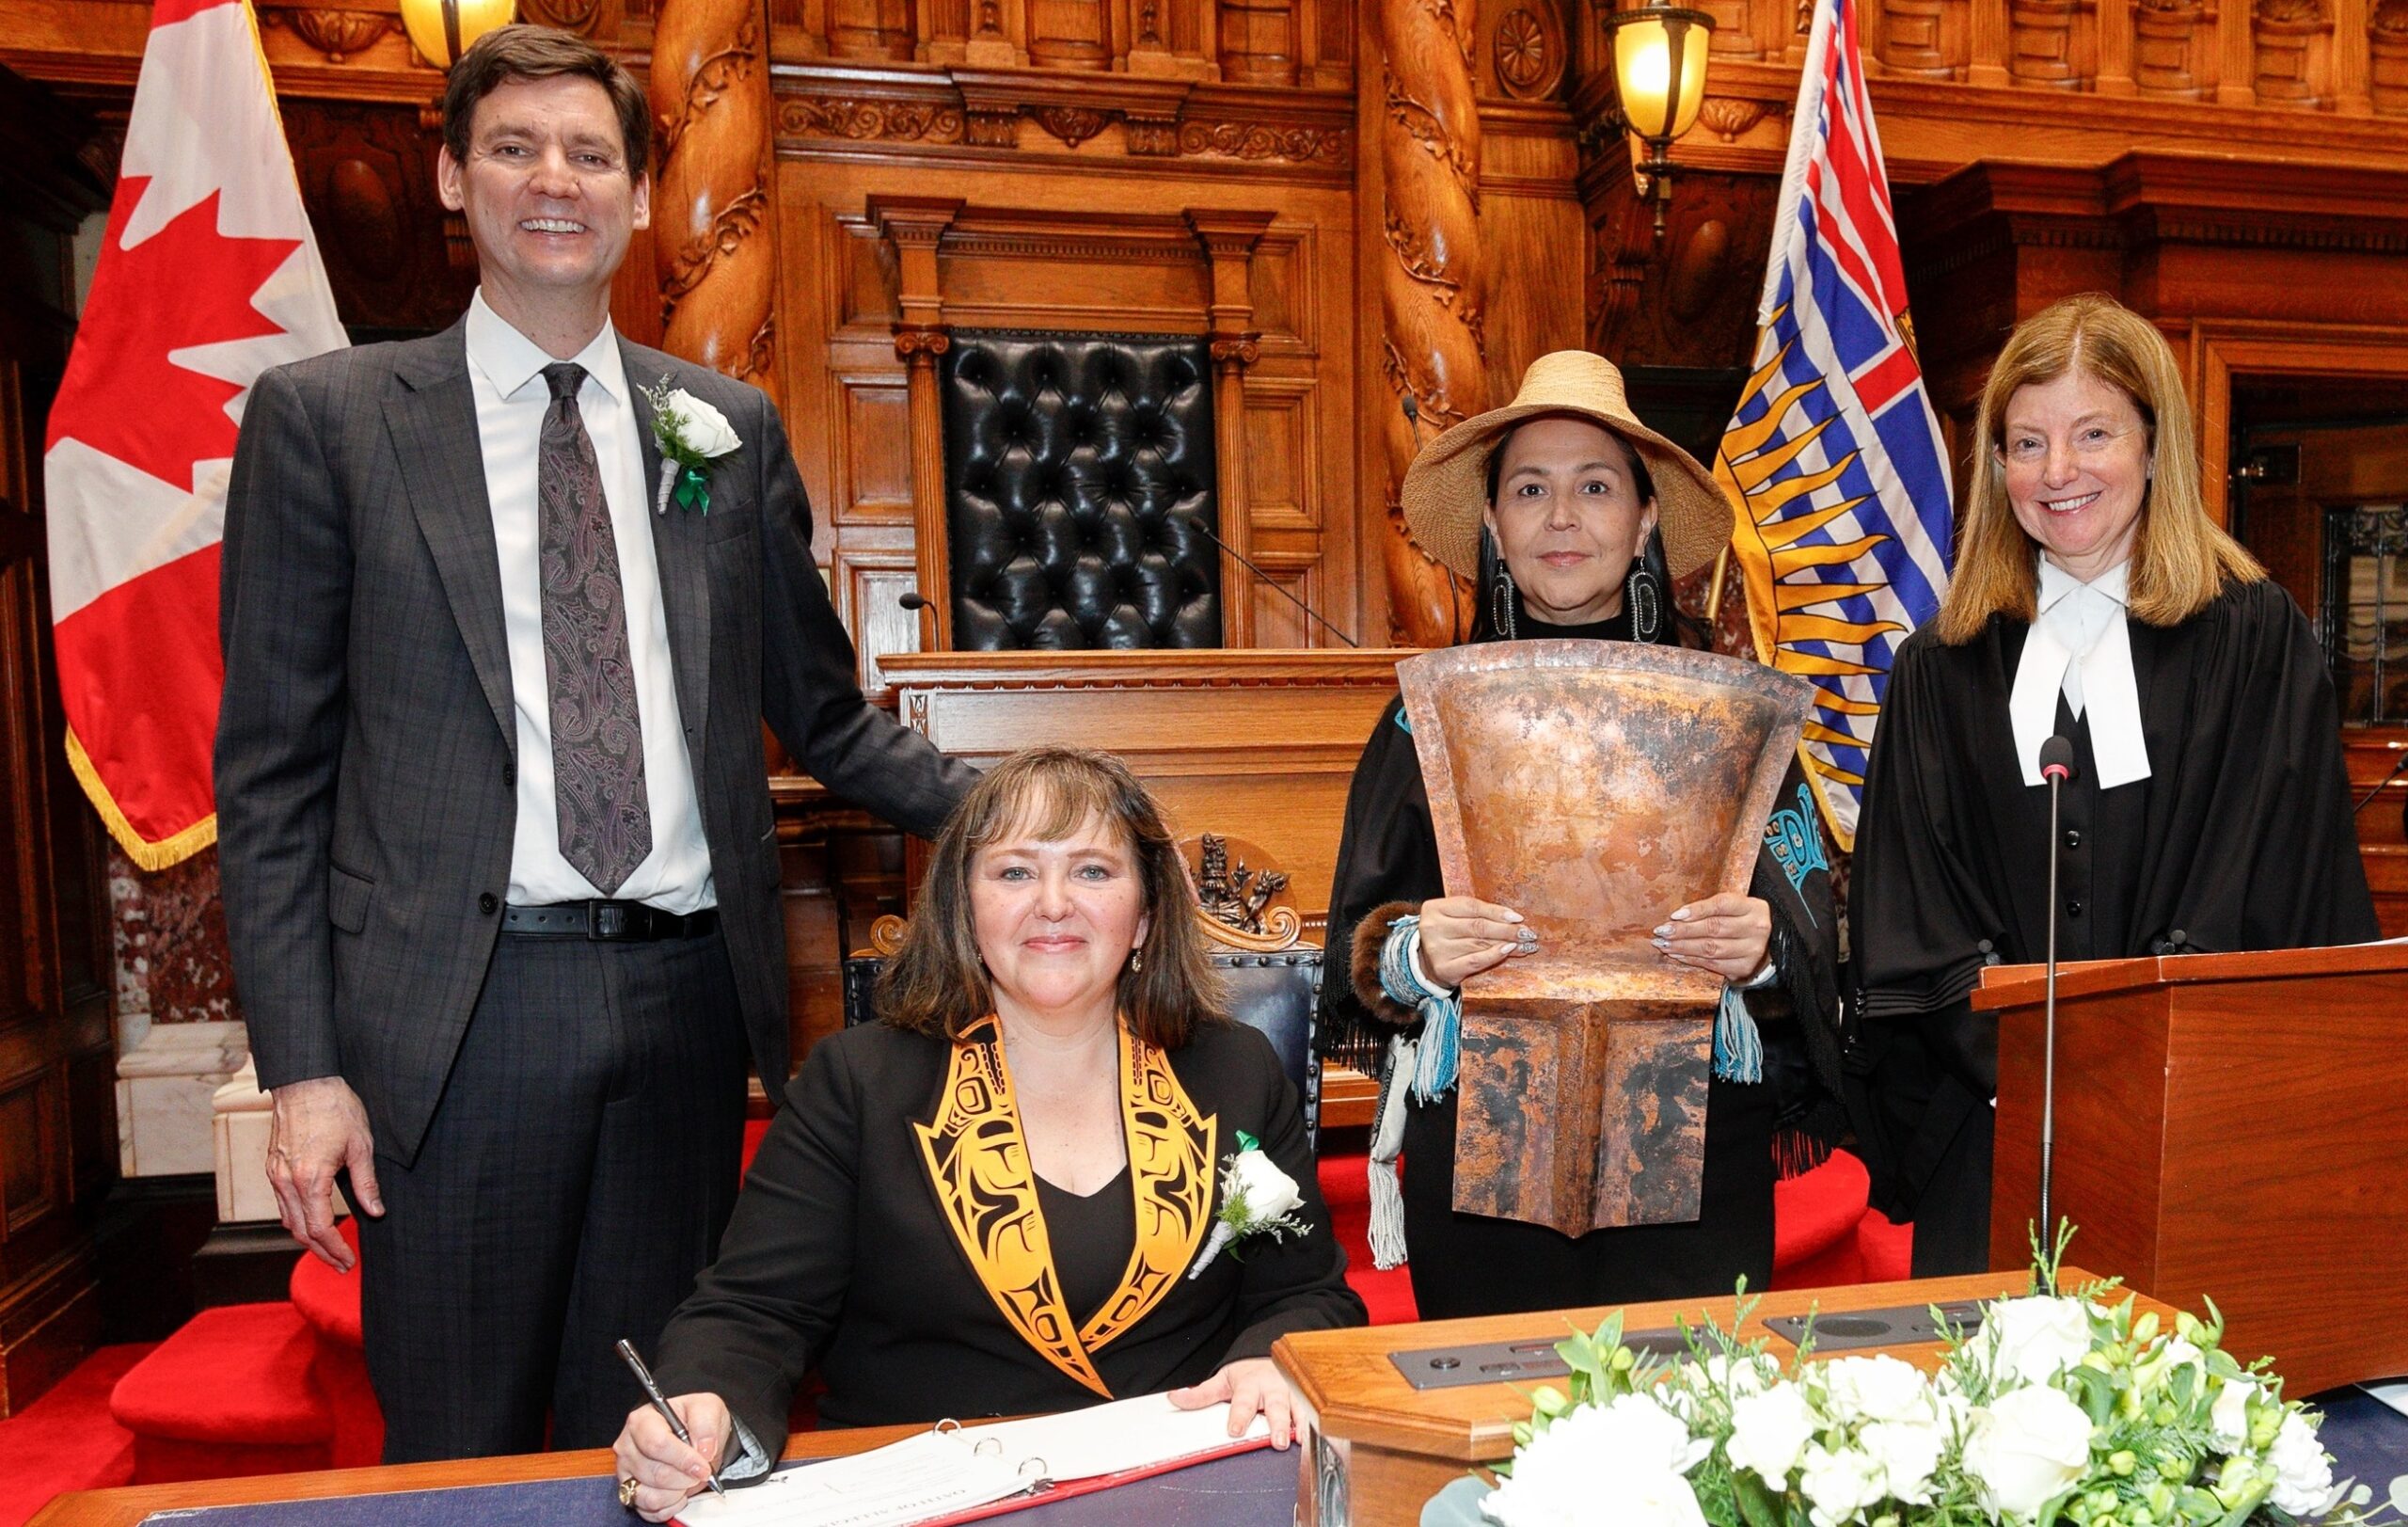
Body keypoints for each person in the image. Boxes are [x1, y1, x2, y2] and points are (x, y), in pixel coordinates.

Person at [214, 24, 977, 1460]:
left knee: (655, 1429)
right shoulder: (331, 422)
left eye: (589, 153)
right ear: (451, 178)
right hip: (456, 1018)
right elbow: (269, 782)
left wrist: (1037, 819)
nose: (551, 180)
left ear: (637, 198)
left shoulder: (725, 427)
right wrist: (305, 1067)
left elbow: (817, 711)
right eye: (513, 148)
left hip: (688, 1004)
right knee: (461, 1439)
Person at [610, 748, 1363, 1518]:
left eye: (1093, 871)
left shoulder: (1234, 1070)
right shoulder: (858, 1082)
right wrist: (707, 1404)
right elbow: (752, 1312)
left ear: (1144, 917)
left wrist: (1273, 1361)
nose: (1054, 902)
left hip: (1172, 1492)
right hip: (922, 1500)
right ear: (964, 912)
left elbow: (1306, 1294)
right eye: (1013, 872)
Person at [1849, 293, 2379, 1276]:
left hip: (2195, 1127)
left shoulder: (2253, 640)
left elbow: (2264, 877)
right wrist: (2029, 1069)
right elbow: (1911, 907)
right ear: (1994, 462)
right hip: (1992, 1133)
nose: (2057, 473)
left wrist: (2136, 1063)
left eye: (2092, 434)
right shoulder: (1944, 665)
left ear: (2151, 446)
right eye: (2026, 442)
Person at [1320, 351, 1844, 1320]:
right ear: (1492, 524)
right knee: (1493, 1439)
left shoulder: (1729, 713)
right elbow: (1357, 960)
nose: (1561, 518)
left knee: (1689, 1444)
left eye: (1594, 487)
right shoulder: (1429, 716)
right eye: (1530, 489)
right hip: (1478, 1152)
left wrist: (1765, 957)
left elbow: (1820, 927)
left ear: (1644, 518)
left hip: (1694, 1153)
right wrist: (1421, 956)